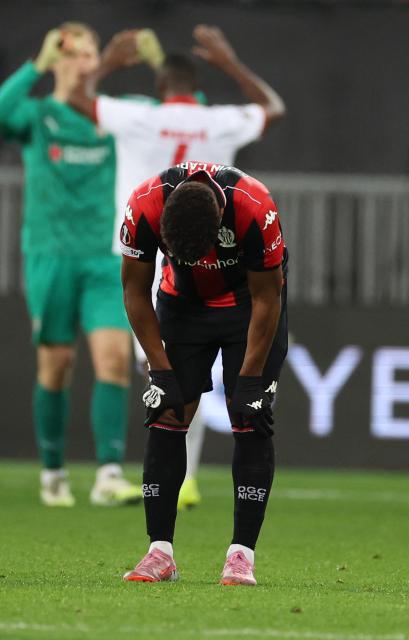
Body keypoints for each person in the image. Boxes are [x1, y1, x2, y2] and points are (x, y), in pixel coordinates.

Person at [69, 24, 286, 510]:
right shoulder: (218, 121)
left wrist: (107, 61)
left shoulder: (135, 117)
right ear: (194, 87)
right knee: (201, 369)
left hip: (143, 248)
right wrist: (229, 62)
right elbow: (273, 108)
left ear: (160, 87)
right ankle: (185, 477)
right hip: (218, 250)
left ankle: (134, 470)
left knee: (160, 367)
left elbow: (78, 98)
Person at [0, 23, 142, 507]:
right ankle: (53, 471)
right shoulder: (38, 115)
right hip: (50, 255)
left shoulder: (113, 117)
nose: (81, 62)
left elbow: (181, 106)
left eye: (90, 53)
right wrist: (36, 59)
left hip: (104, 256)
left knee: (114, 358)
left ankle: (109, 474)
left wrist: (153, 65)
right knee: (57, 365)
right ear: (56, 61)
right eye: (70, 53)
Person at [119, 161, 288, 584]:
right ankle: (159, 553)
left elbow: (269, 299)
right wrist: (159, 369)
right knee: (167, 413)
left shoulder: (255, 206)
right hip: (182, 308)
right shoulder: (143, 205)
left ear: (219, 225)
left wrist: (250, 382)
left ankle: (241, 555)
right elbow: (134, 291)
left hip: (249, 308)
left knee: (249, 415)